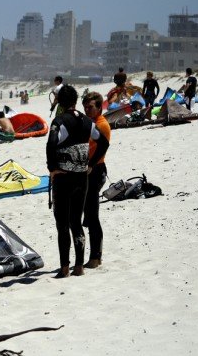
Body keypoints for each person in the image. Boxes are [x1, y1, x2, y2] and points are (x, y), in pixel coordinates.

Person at [46, 85, 109, 278]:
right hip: (82, 178)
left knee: (62, 223)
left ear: (60, 102)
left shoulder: (59, 121)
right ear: (75, 101)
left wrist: (52, 168)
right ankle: (79, 266)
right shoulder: (86, 121)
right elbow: (103, 142)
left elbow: (51, 144)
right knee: (76, 221)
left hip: (63, 179)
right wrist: (90, 162)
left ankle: (65, 268)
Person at [81, 92, 111, 269]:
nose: (87, 109)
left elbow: (103, 147)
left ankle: (95, 257)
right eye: (85, 106)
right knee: (88, 213)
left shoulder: (102, 124)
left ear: (99, 107)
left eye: (90, 107)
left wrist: (91, 164)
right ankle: (94, 256)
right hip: (86, 171)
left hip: (96, 171)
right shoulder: (89, 123)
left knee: (92, 215)